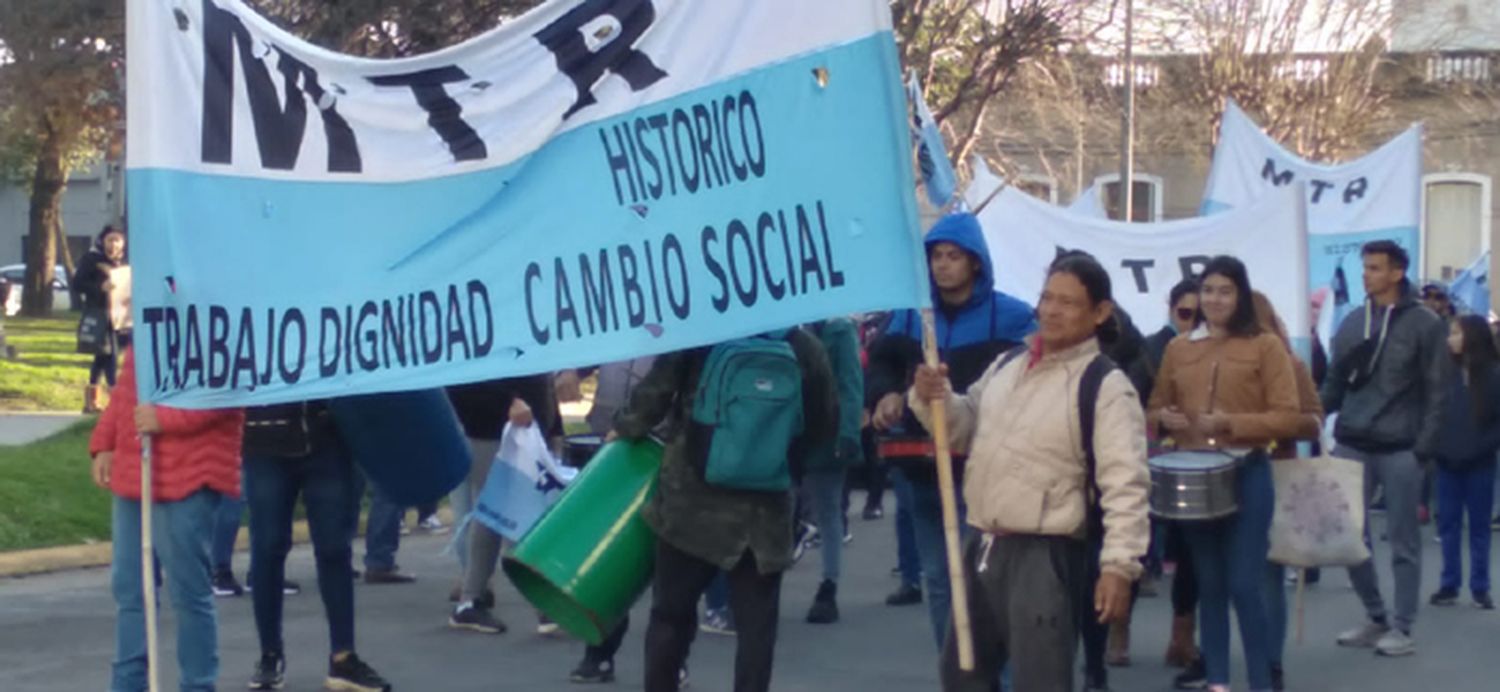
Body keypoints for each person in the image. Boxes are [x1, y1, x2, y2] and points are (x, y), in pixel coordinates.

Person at [911, 251, 1150, 691]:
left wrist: (1119, 565)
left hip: (1047, 554)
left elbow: (1126, 483)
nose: (1052, 311)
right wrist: (934, 397)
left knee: (1041, 680)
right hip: (982, 541)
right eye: (1046, 298)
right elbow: (962, 429)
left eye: (1068, 302)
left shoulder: (1105, 385)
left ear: (1100, 313)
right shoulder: (1008, 365)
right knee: (962, 675)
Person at [621, 329, 836, 692]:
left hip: (690, 502)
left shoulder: (703, 329)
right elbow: (823, 425)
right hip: (764, 514)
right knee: (756, 632)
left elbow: (653, 397)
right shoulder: (803, 346)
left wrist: (625, 427)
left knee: (670, 618)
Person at [867, 212, 1036, 645]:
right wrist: (884, 394)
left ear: (975, 262)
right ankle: (955, 671)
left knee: (981, 580)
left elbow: (1039, 372)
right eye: (936, 256)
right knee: (939, 579)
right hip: (919, 467)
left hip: (983, 471)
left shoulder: (1013, 317)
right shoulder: (909, 316)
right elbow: (881, 361)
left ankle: (991, 673)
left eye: (952, 256)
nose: (942, 265)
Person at [1148, 255, 1304, 692]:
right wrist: (1166, 419)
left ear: (1241, 295)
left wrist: (1232, 424)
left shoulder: (1265, 346)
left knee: (1244, 583)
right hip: (1195, 478)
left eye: (1225, 291)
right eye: (1209, 290)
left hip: (1248, 473)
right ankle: (1218, 681)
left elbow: (1288, 417)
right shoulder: (1179, 347)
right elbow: (1155, 405)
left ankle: (1260, 680)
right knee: (1210, 585)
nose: (1215, 299)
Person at [1321, 241, 1448, 658]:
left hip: (1401, 447)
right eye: (1365, 267)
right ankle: (1375, 615)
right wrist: (1311, 416)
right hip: (1352, 441)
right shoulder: (1353, 321)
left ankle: (1403, 625)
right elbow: (1336, 382)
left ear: (1397, 272)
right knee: (1348, 537)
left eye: (1375, 267)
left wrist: (1422, 449)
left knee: (1403, 539)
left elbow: (1437, 389)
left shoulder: (1426, 324)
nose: (1366, 274)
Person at [92, 344, 244, 692]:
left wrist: (168, 419)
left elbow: (231, 383)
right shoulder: (151, 304)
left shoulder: (216, 310)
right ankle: (128, 684)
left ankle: (198, 684)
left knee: (188, 591)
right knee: (130, 588)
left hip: (191, 470)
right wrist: (105, 441)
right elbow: (129, 382)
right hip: (135, 468)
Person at [243, 401, 393, 692]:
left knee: (334, 547)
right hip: (264, 438)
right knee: (268, 546)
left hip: (327, 434)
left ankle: (343, 657)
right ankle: (269, 655)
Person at [1128, 278, 1206, 683]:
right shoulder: (1151, 348)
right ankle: (1117, 632)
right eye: (1185, 313)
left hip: (1194, 464)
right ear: (1170, 309)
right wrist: (1158, 417)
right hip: (1146, 462)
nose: (1192, 322)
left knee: (1188, 553)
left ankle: (1182, 636)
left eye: (1200, 315)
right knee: (1133, 547)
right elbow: (1132, 401)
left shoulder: (1214, 350)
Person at [1252, 291, 1325, 692]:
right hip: (1222, 474)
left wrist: (1269, 424)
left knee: (1267, 575)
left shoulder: (1289, 364)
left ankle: (1270, 662)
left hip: (1273, 473)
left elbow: (1314, 418)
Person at [446, 375, 554, 633]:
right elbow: (465, 372)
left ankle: (471, 600)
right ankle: (544, 606)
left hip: (518, 423)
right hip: (492, 424)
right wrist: (509, 400)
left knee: (493, 511)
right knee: (511, 513)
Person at [1429, 315, 1499, 610]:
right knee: (1448, 524)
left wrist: (1481, 448)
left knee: (1479, 527)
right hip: (1446, 463)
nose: (1450, 339)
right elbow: (1434, 416)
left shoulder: (1494, 376)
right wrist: (1439, 448)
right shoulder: (1445, 375)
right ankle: (1449, 584)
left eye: (1456, 333)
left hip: (1480, 463)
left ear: (1471, 336)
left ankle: (1480, 587)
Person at [800, 317, 865, 624]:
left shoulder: (839, 330)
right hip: (790, 432)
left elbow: (850, 382)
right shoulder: (789, 325)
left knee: (827, 511)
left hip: (825, 433)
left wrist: (849, 433)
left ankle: (829, 584)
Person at [74, 224, 127, 413]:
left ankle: (91, 402)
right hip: (99, 313)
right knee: (110, 355)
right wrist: (99, 287)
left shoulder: (124, 262)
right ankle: (115, 401)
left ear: (123, 243)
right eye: (110, 240)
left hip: (121, 314)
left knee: (101, 357)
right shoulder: (92, 259)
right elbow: (78, 284)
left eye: (117, 240)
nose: (113, 244)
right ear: (102, 241)